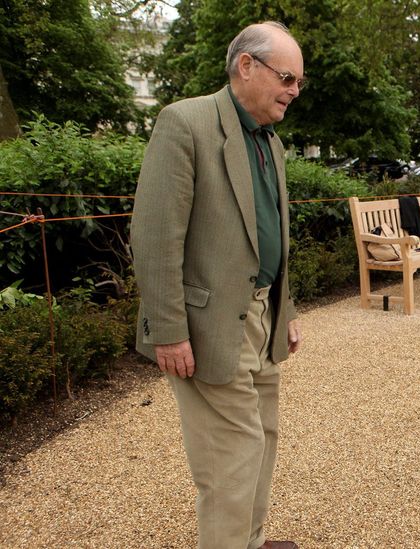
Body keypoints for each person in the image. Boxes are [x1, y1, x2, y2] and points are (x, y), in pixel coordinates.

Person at [131, 21, 305, 549]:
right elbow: (155, 234)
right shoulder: (184, 123)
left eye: (300, 82)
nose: (294, 91)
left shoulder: (269, 142)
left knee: (263, 441)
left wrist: (287, 309)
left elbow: (269, 234)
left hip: (262, 321)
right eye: (287, 77)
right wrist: (168, 330)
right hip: (206, 325)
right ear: (246, 66)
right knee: (233, 456)